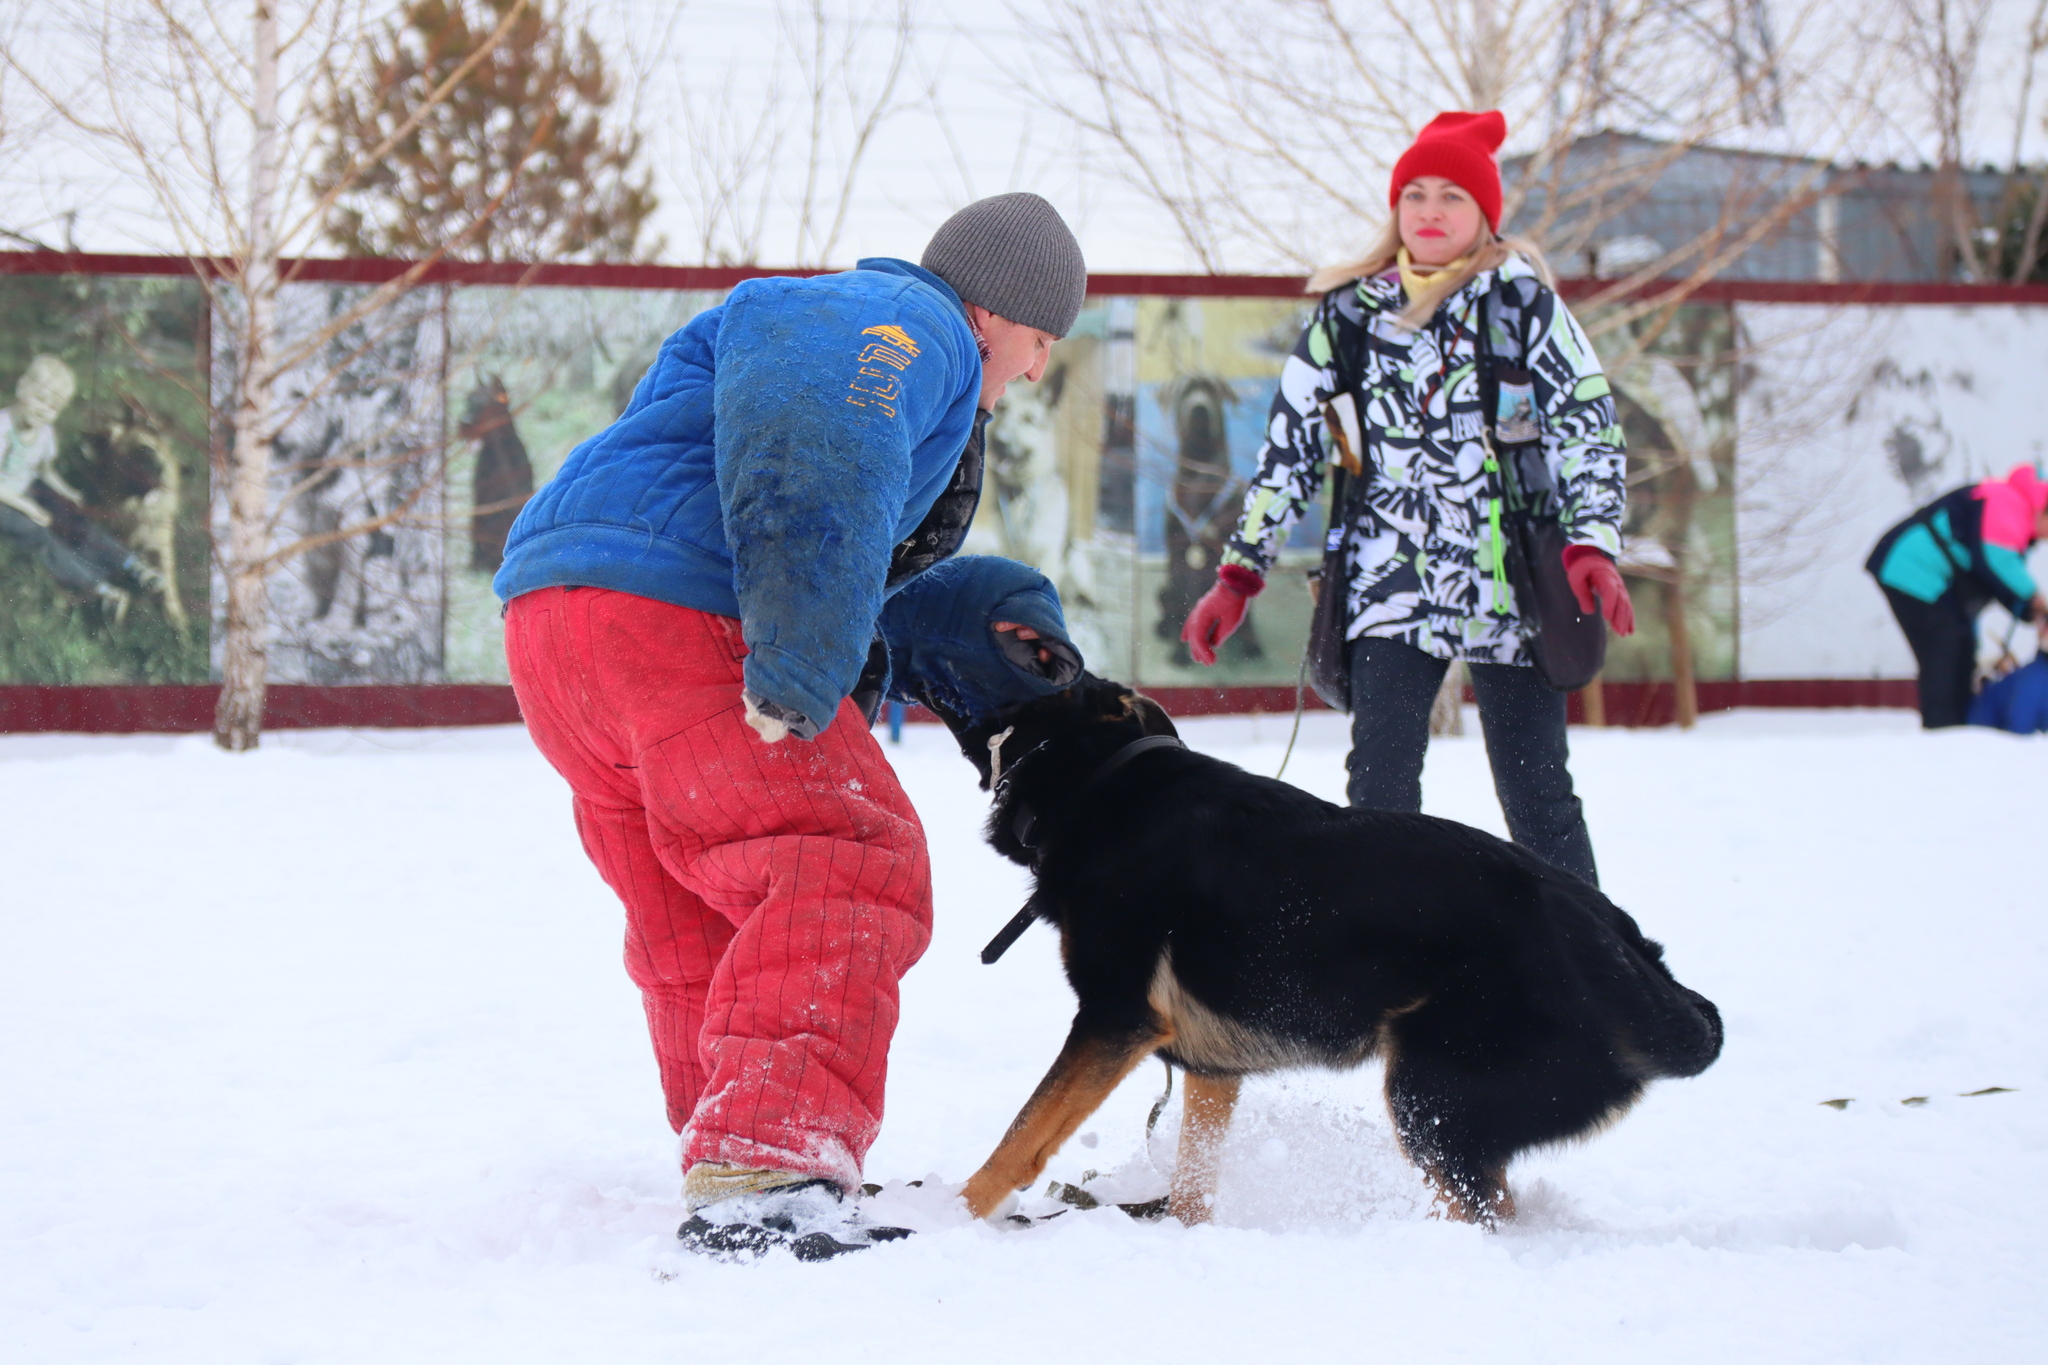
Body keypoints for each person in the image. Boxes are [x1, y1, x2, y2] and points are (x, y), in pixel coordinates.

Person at [492, 193, 1089, 1260]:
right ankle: (774, 1160)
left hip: (560, 621)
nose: (1033, 369)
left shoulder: (825, 326)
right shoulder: (905, 322)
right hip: (675, 617)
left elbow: (750, 484)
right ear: (996, 314)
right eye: (1041, 342)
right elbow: (822, 427)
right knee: (843, 856)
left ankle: (731, 1137)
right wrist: (801, 655)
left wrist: (978, 613)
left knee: (695, 894)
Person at [1180, 110, 1633, 887]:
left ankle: (1596, 970)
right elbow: (1290, 448)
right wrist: (1238, 573)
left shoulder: (1523, 312)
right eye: (1415, 193)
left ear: (1485, 216)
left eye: (1452, 196)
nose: (1429, 210)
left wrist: (1591, 544)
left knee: (1537, 792)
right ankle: (1384, 966)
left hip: (1510, 578)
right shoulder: (1347, 319)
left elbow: (1586, 426)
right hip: (1390, 579)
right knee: (1380, 792)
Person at [1867, 463, 2048, 729]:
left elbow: (1994, 574)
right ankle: (1942, 733)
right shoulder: (2008, 501)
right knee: (1944, 650)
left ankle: (1959, 730)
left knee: (1961, 649)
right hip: (1913, 571)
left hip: (1930, 580)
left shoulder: (2014, 510)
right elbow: (1996, 559)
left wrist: (2026, 609)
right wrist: (2035, 600)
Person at [0, 354, 162, 622]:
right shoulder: (3, 428)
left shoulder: (44, 432)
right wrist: (26, 506)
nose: (44, 411)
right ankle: (97, 589)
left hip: (24, 488)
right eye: (40, 399)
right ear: (21, 388)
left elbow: (43, 471)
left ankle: (131, 566)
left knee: (70, 517)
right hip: (4, 499)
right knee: (37, 533)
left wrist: (67, 493)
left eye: (53, 407)